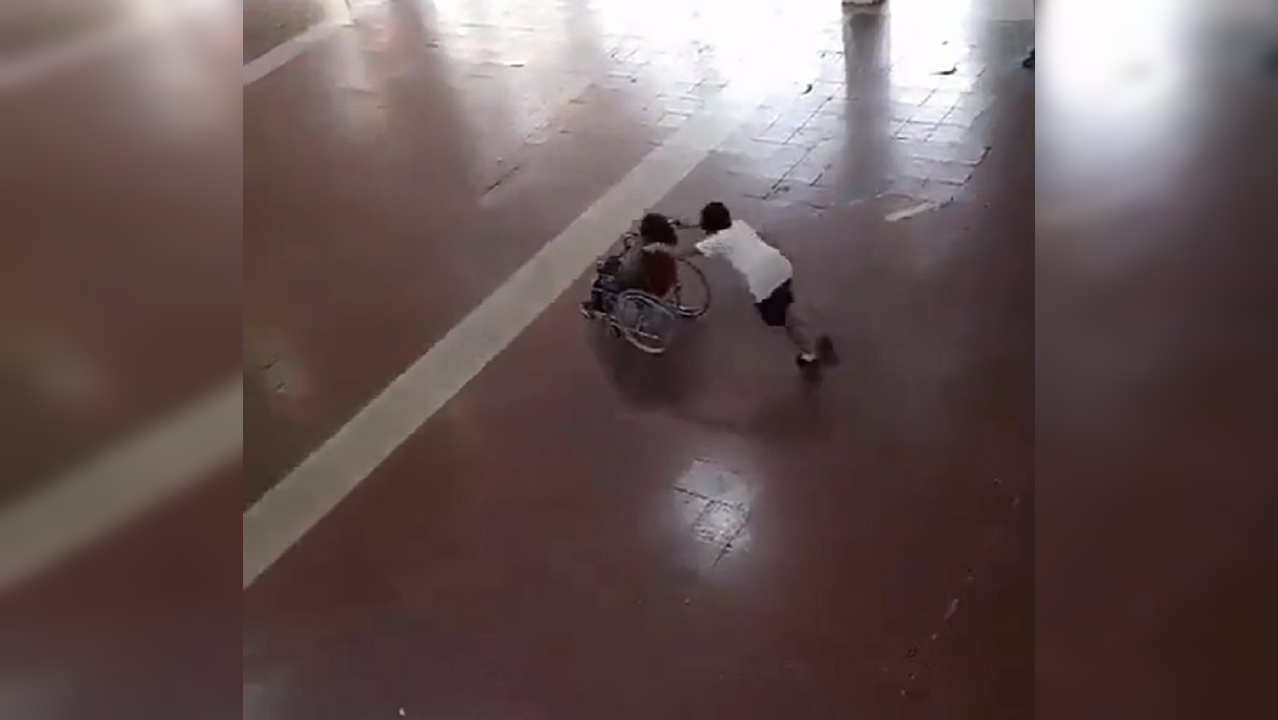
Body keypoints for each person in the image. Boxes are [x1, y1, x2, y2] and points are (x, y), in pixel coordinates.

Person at [679, 201, 835, 373]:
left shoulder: (716, 242)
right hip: (780, 266)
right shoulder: (739, 225)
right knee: (786, 302)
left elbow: (687, 252)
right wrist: (686, 224)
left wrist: (659, 250)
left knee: (785, 321)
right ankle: (815, 327)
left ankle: (809, 351)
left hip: (763, 281)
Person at [582, 212, 680, 317]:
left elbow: (630, 266)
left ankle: (597, 307)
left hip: (647, 284)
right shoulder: (666, 243)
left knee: (603, 278)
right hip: (666, 280)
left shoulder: (648, 250)